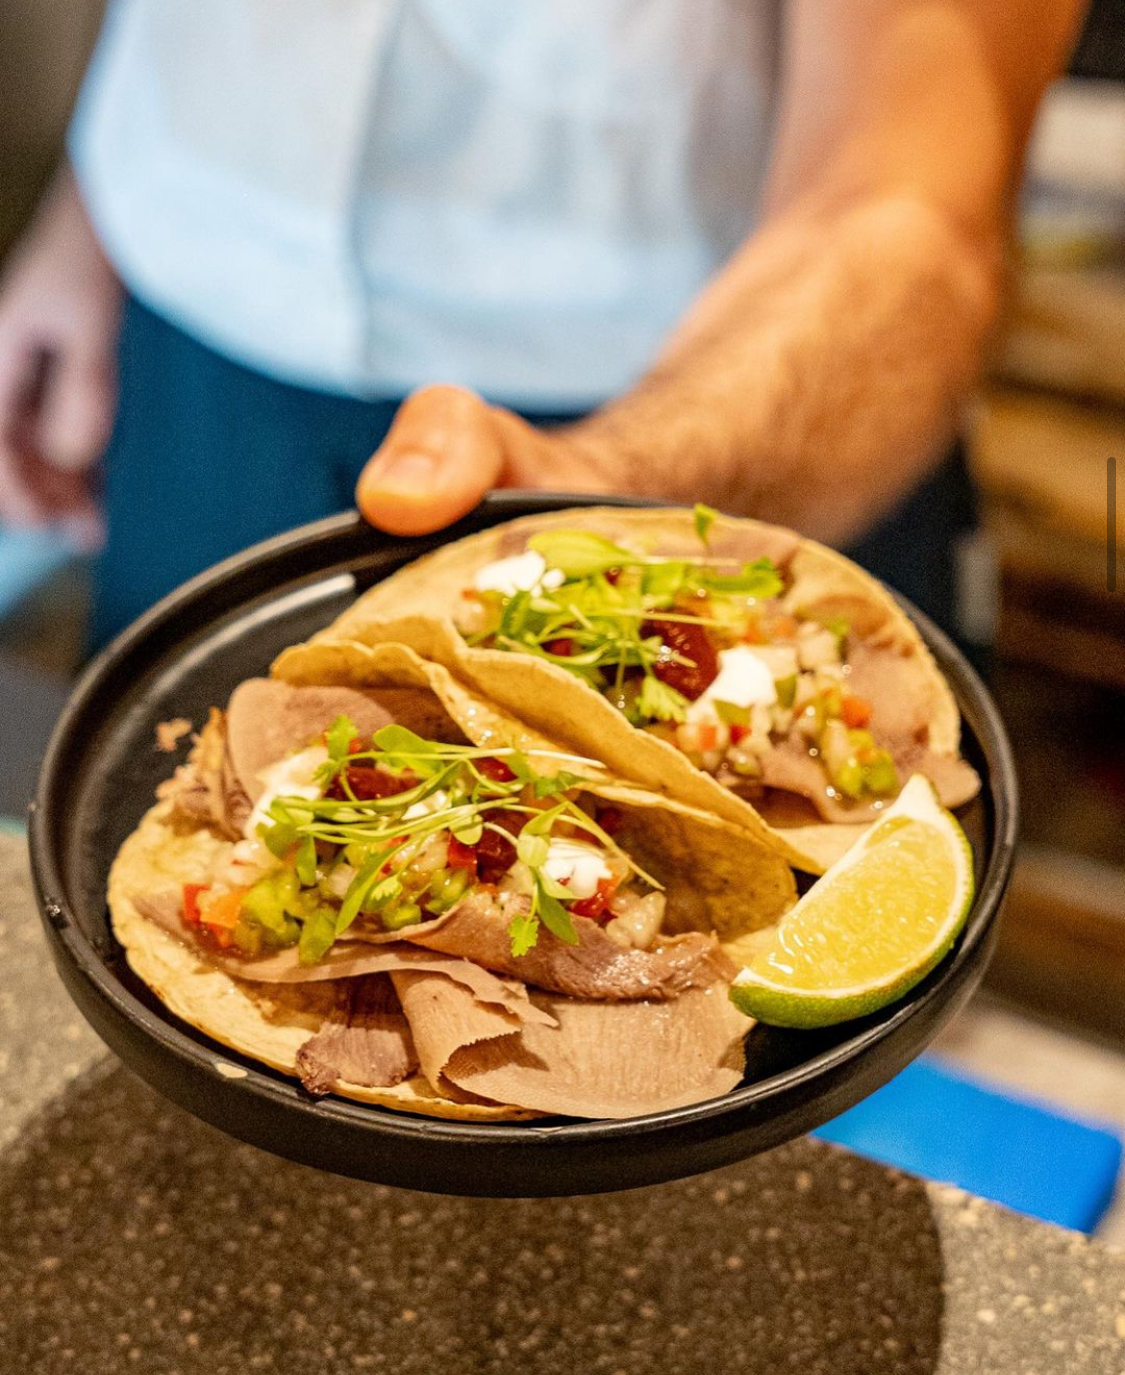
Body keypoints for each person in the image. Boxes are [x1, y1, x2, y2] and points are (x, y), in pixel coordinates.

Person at [0, 1, 1082, 649]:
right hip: (193, 380)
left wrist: (602, 489)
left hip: (699, 451)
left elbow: (904, 205)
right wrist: (93, 208)